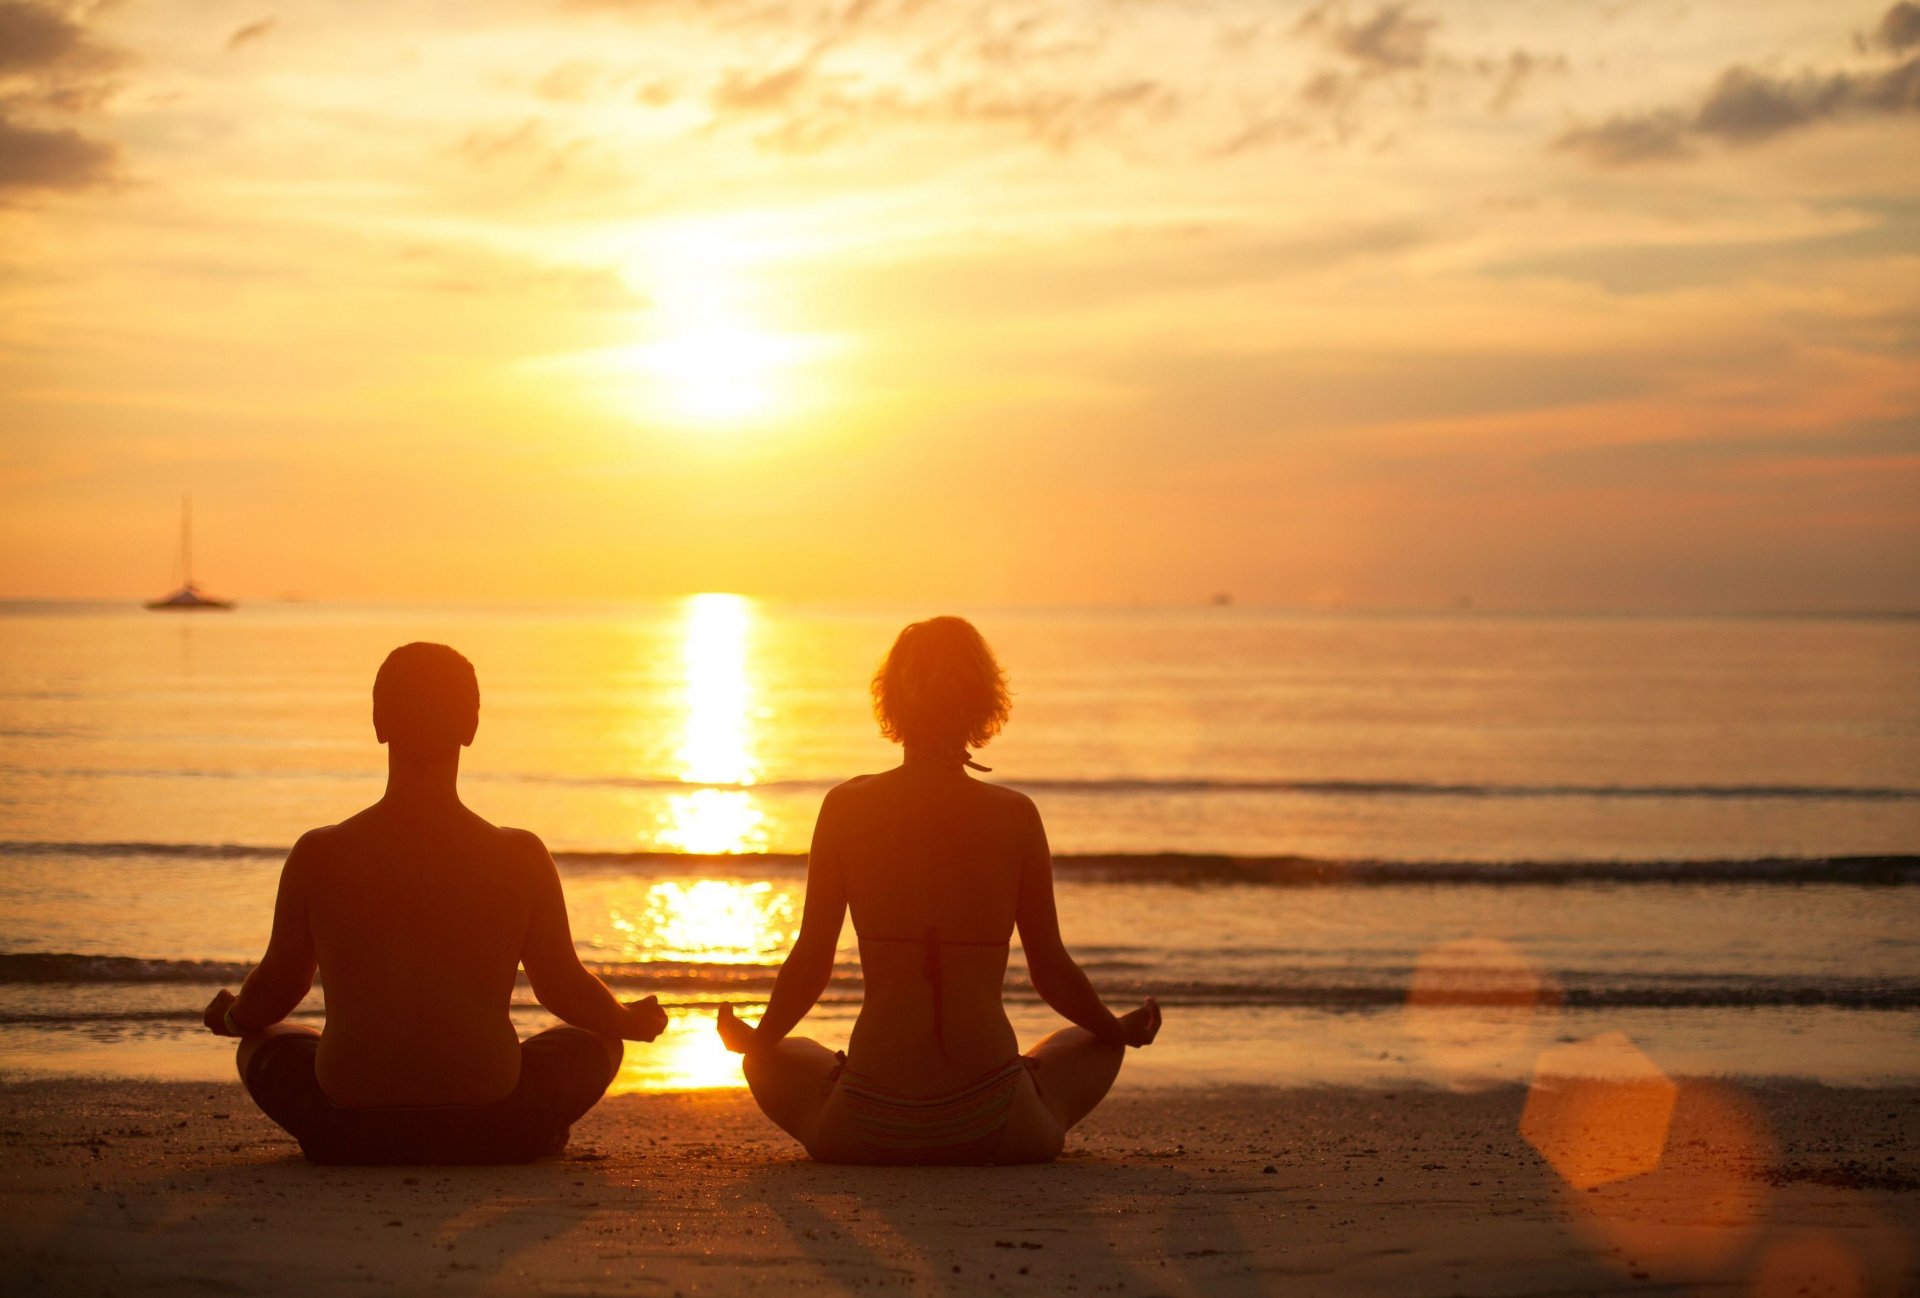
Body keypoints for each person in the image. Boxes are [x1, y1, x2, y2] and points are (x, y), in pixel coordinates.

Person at [714, 615, 1160, 1164]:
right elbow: (1051, 972)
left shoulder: (846, 806)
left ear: (891, 701)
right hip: (998, 1122)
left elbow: (812, 959)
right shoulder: (1015, 815)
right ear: (983, 702)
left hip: (864, 1122)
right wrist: (1116, 1028)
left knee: (776, 1055)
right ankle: (1026, 1091)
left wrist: (757, 1042)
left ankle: (836, 1095)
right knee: (1096, 1043)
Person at [201, 642, 668, 1164]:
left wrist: (236, 1019)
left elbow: (278, 986)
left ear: (379, 722)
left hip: (349, 1125)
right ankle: (527, 1135)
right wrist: (626, 1020)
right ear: (470, 728)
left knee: (266, 1042)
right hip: (489, 1121)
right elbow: (562, 986)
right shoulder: (518, 854)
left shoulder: (320, 852)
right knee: (595, 1041)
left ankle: (345, 1135)